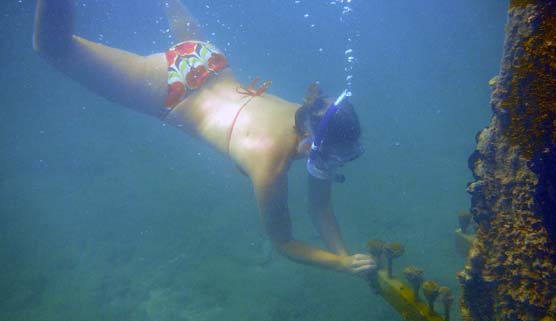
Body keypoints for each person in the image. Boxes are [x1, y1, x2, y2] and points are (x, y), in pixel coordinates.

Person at [33, 0, 376, 277]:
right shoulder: (269, 166)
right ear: (311, 144)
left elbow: (320, 205)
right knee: (54, 49)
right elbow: (284, 242)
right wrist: (339, 264)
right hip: (171, 91)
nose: (332, 166)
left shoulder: (316, 114)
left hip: (206, 60)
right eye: (333, 159)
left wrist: (345, 255)